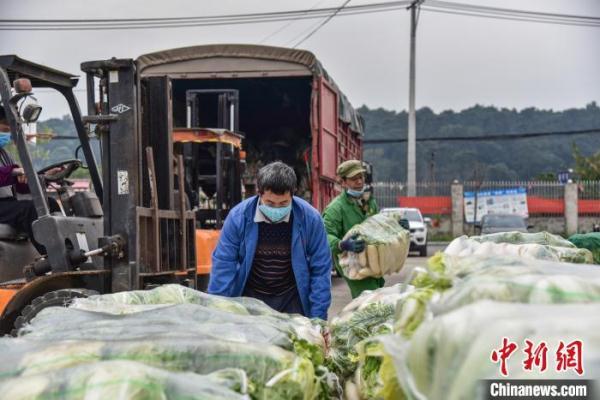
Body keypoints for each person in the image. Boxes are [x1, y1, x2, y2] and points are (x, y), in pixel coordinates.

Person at [208, 161, 332, 319]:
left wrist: (318, 319)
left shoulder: (310, 219)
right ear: (259, 193)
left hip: (291, 299)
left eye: (283, 204)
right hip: (250, 297)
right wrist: (216, 311)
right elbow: (224, 265)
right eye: (270, 203)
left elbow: (321, 270)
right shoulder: (238, 218)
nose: (276, 209)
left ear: (293, 194)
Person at [0, 108, 61, 255]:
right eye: (5, 128)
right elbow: (9, 174)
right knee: (30, 209)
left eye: (10, 129)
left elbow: (20, 186)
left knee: (49, 203)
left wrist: (43, 177)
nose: (8, 133)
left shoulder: (4, 154)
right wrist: (14, 171)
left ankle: (67, 247)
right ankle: (53, 257)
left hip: (7, 204)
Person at [323, 159, 383, 298]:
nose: (359, 182)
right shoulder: (336, 208)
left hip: (373, 258)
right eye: (353, 179)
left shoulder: (369, 201)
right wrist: (342, 244)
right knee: (369, 299)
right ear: (343, 182)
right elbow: (326, 234)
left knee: (376, 294)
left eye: (361, 177)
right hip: (352, 262)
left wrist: (396, 225)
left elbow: (379, 223)